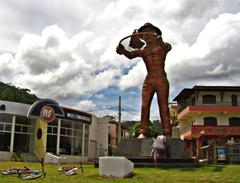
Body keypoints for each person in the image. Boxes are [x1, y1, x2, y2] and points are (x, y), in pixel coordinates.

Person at [116, 22, 172, 137]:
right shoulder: (143, 50)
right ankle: (143, 131)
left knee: (163, 106)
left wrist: (159, 40)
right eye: (144, 32)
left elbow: (168, 46)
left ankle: (167, 132)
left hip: (161, 79)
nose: (147, 34)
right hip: (149, 80)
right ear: (142, 37)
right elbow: (130, 55)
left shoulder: (162, 46)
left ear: (155, 33)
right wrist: (122, 50)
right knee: (144, 106)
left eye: (149, 31)